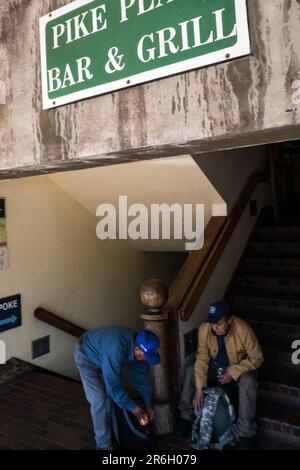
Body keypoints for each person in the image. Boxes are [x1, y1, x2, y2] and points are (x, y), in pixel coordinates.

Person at [176, 300, 263, 449]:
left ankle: (245, 432)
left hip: (238, 368)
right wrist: (199, 389)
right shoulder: (205, 328)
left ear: (229, 320)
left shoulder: (243, 329)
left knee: (249, 381)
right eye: (212, 323)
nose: (215, 327)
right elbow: (202, 357)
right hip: (215, 367)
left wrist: (234, 370)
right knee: (191, 370)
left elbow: (257, 358)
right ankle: (185, 417)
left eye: (219, 323)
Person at [74, 325, 160, 450]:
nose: (147, 360)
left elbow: (141, 379)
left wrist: (148, 404)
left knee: (111, 396)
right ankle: (104, 446)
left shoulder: (138, 349)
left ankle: (112, 432)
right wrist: (135, 409)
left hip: (103, 356)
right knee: (99, 400)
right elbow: (114, 386)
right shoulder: (117, 348)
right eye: (147, 356)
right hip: (86, 356)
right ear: (138, 350)